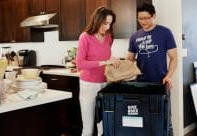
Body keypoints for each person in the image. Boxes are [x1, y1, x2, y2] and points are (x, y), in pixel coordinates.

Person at [126, 3, 177, 135]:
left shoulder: (165, 32)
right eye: (140, 19)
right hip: (141, 84)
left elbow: (174, 58)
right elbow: (129, 61)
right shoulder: (134, 37)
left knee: (165, 119)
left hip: (161, 83)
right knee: (143, 119)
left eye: (146, 18)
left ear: (153, 16)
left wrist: (169, 76)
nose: (143, 22)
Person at [76, 6, 119, 136]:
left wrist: (112, 60)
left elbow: (105, 57)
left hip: (105, 85)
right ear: (97, 20)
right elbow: (80, 64)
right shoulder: (85, 37)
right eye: (105, 23)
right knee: (88, 129)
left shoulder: (109, 37)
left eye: (110, 24)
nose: (107, 27)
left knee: (104, 127)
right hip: (88, 85)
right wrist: (105, 62)